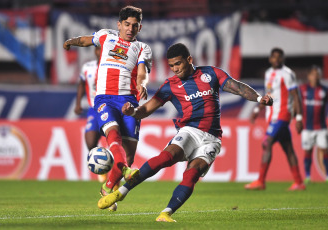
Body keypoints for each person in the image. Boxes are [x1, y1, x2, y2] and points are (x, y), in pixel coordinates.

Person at [97, 43, 273, 222]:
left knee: (192, 173)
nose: (175, 69)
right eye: (172, 66)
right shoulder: (170, 85)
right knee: (165, 157)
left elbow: (237, 87)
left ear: (189, 60)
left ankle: (166, 213)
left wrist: (259, 98)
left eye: (178, 64)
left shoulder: (211, 73)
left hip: (212, 139)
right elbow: (147, 109)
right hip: (190, 131)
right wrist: (132, 112)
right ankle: (121, 192)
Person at [63, 6, 152, 211]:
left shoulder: (142, 47)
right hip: (104, 98)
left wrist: (143, 85)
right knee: (113, 134)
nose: (130, 29)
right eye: (127, 24)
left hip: (129, 101)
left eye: (135, 25)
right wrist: (71, 42)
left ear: (140, 27)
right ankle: (124, 173)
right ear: (119, 24)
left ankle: (109, 185)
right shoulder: (106, 36)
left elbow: (141, 72)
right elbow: (86, 40)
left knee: (128, 156)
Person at [245, 47, 305, 191]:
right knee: (288, 148)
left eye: (279, 57)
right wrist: (257, 109)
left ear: (283, 59)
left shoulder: (287, 74)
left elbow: (296, 96)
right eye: (274, 57)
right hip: (272, 116)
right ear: (270, 59)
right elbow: (269, 94)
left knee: (267, 142)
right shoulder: (268, 73)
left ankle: (260, 181)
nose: (276, 59)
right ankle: (299, 182)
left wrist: (298, 117)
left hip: (283, 115)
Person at [74, 46, 107, 183]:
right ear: (95, 51)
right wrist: (78, 103)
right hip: (93, 109)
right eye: (99, 49)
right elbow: (82, 84)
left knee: (118, 140)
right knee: (90, 142)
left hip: (110, 108)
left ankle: (118, 171)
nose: (100, 52)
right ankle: (103, 168)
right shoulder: (87, 67)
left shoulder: (112, 68)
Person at [299, 65, 328, 183]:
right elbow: (297, 104)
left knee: (324, 149)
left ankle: (327, 176)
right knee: (308, 151)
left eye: (317, 74)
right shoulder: (302, 89)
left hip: (321, 127)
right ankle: (307, 176)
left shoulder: (324, 90)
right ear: (309, 76)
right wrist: (298, 118)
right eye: (313, 74)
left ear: (320, 76)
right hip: (307, 127)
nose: (315, 76)